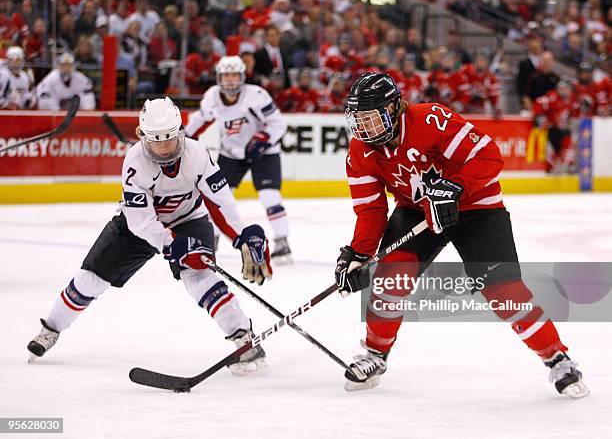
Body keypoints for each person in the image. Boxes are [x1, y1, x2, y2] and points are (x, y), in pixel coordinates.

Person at [335, 72, 588, 398]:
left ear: (395, 109)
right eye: (359, 120)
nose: (364, 128)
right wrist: (358, 254)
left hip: (476, 205)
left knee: (504, 291)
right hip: (418, 212)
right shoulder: (360, 152)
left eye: (371, 118)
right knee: (390, 276)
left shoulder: (429, 119)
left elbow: (489, 157)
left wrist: (455, 188)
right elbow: (370, 211)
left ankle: (557, 358)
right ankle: (375, 354)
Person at [27, 97, 272, 376]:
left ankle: (243, 340)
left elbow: (221, 201)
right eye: (157, 140)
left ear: (180, 131)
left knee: (201, 278)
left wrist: (242, 235)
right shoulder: (134, 163)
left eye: (170, 138)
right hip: (138, 228)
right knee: (90, 279)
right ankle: (51, 328)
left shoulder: (198, 153)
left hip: (189, 220)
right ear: (142, 136)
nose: (165, 147)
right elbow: (141, 221)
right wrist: (171, 245)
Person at [186, 56, 292, 263]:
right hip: (231, 153)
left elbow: (278, 124)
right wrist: (184, 139)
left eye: (234, 75)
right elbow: (199, 121)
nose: (230, 81)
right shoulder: (212, 97)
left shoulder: (257, 95)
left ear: (242, 76)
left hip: (263, 152)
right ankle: (210, 241)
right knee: (216, 198)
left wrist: (262, 140)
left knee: (270, 196)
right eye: (226, 76)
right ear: (218, 78)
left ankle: (282, 241)